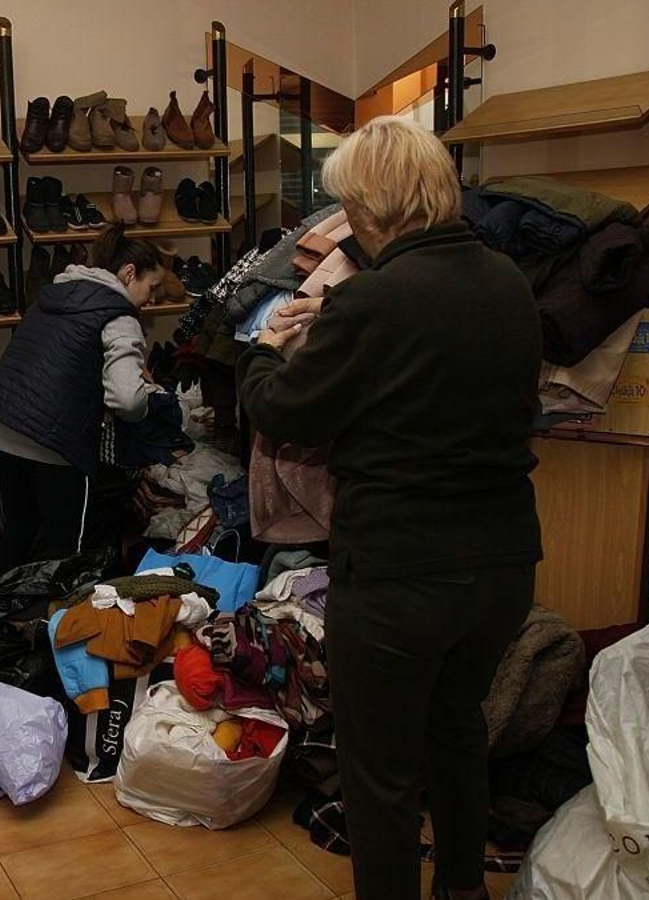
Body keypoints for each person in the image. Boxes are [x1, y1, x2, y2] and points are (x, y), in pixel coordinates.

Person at [236, 116, 543, 900]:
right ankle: (464, 889)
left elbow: (287, 414)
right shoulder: (509, 283)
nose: (349, 223)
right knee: (456, 731)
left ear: (375, 205)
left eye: (350, 206)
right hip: (501, 566)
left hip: (400, 572)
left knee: (380, 775)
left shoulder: (371, 299)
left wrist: (270, 348)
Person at [0, 226, 164, 577]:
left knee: (13, 537)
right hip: (53, 440)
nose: (151, 299)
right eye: (151, 287)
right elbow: (127, 401)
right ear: (129, 273)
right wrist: (152, 397)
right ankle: (56, 625)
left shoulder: (53, 295)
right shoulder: (118, 315)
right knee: (67, 550)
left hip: (0, 425)